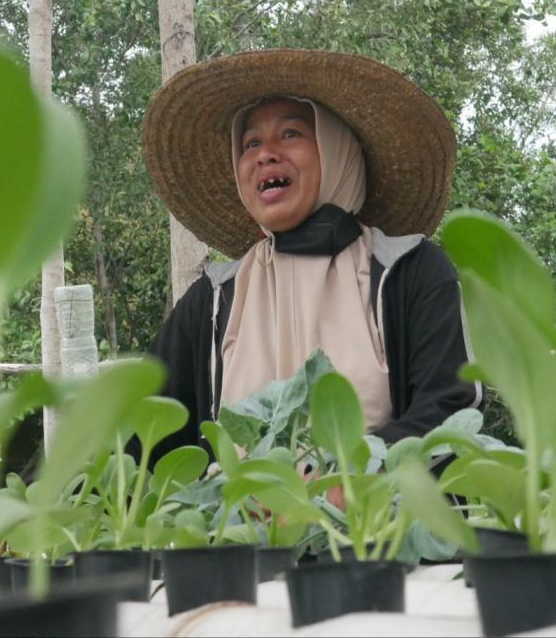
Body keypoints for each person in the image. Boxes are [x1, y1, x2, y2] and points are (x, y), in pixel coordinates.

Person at [138, 49, 482, 465]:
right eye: (250, 143)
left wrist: (341, 481)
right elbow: (138, 433)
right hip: (242, 528)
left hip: (377, 523)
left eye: (290, 134)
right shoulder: (211, 302)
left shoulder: (409, 271)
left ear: (338, 152)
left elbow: (449, 411)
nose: (265, 154)